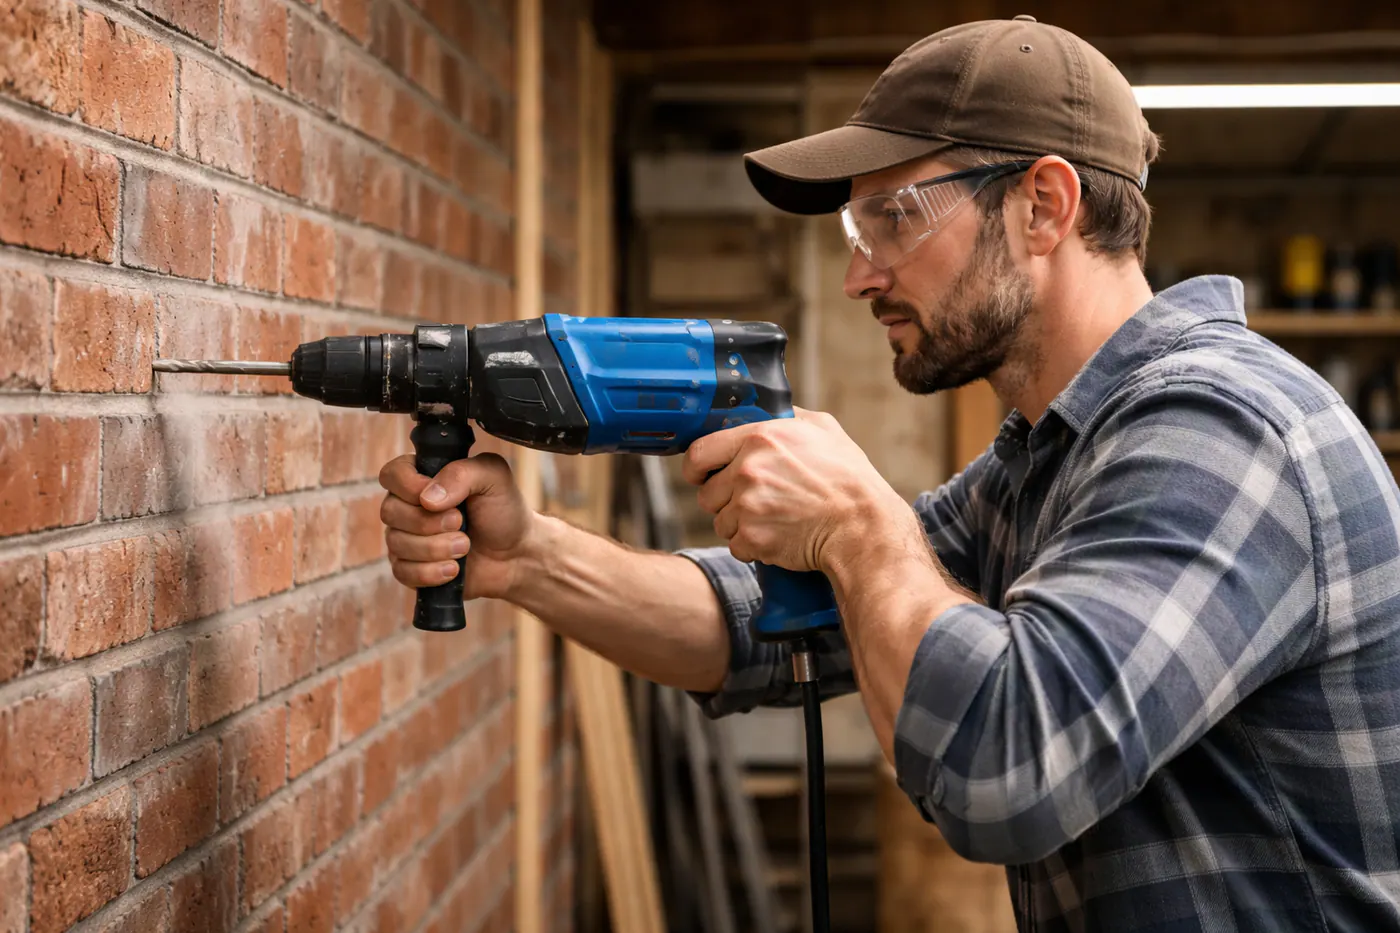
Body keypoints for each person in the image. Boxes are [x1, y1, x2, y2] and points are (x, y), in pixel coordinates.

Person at [377, 15, 1400, 933]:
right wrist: (528, 559)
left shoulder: (1220, 430)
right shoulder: (1046, 455)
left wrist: (862, 525)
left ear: (1042, 207)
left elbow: (1010, 769)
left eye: (893, 219)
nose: (860, 273)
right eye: (854, 231)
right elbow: (769, 629)